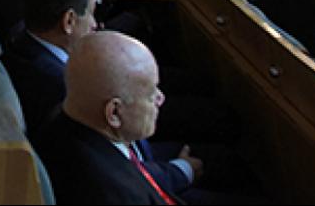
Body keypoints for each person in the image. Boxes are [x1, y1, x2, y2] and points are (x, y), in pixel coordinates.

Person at [32, 31, 200, 205]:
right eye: (151, 95)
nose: (161, 98)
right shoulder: (115, 194)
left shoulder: (64, 117)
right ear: (113, 113)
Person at [2, 0, 97, 132]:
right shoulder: (63, 87)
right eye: (90, 14)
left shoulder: (19, 38)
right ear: (69, 21)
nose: (95, 24)